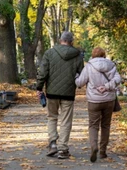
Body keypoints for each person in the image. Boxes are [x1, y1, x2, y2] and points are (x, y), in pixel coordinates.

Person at [36, 31, 84, 159]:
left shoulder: (49, 53)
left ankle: (52, 144)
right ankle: (63, 149)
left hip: (52, 92)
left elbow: (43, 72)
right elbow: (81, 74)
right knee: (66, 120)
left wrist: (39, 87)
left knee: (52, 117)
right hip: (68, 92)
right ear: (71, 41)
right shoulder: (78, 56)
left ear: (60, 40)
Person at [75, 47, 121, 163]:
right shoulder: (111, 65)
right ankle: (102, 151)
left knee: (93, 125)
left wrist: (76, 77)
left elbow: (80, 82)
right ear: (104, 55)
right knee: (105, 125)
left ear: (93, 55)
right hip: (109, 100)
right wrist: (107, 87)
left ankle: (94, 146)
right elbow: (118, 79)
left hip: (94, 101)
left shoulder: (89, 66)